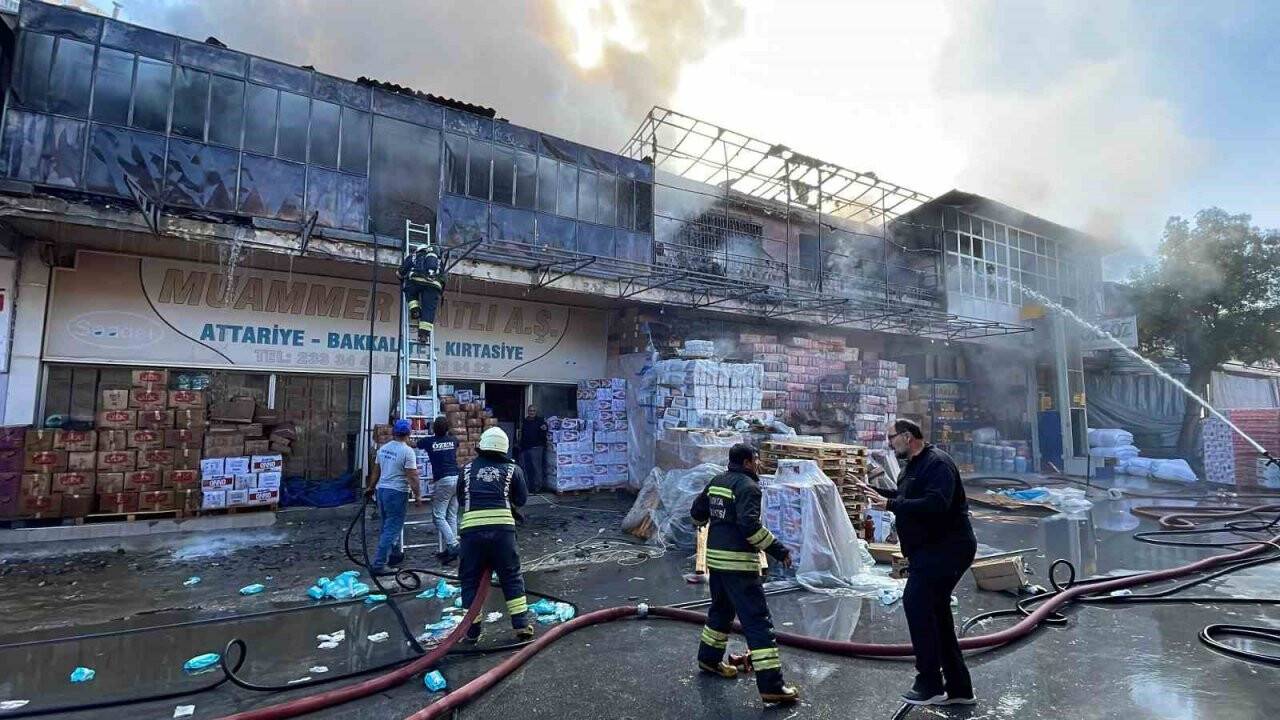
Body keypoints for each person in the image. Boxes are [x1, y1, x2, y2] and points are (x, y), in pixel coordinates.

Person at [863, 419, 978, 707]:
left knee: (917, 603)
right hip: (926, 550)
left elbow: (936, 505)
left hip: (947, 549)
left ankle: (929, 682)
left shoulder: (937, 464)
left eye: (892, 438)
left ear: (907, 436)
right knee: (937, 613)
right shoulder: (911, 466)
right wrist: (880, 496)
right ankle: (959, 689)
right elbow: (907, 497)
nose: (889, 443)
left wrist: (891, 505)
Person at [690, 443, 799, 705]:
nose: (759, 465)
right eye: (757, 460)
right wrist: (778, 550)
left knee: (721, 612)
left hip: (716, 563)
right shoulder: (749, 488)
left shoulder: (717, 482)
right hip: (740, 566)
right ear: (749, 462)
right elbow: (749, 527)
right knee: (758, 623)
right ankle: (772, 686)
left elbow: (696, 513)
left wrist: (709, 525)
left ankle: (709, 659)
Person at [457, 426, 533, 643]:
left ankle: (472, 630)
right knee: (510, 576)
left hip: (472, 533)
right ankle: (521, 625)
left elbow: (462, 500)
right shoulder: (513, 470)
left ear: (482, 445)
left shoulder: (467, 469)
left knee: (470, 579)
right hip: (503, 533)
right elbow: (521, 500)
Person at [364, 419, 422, 575]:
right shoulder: (407, 451)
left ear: (394, 432)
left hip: (381, 491)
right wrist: (418, 495)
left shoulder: (383, 449)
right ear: (409, 433)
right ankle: (379, 564)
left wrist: (370, 487)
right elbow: (413, 477)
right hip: (397, 492)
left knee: (387, 526)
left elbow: (376, 470)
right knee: (392, 528)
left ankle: (395, 554)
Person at [419, 415, 461, 565]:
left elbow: (416, 443)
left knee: (437, 516)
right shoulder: (453, 440)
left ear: (434, 429)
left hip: (443, 480)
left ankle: (453, 545)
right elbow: (455, 442)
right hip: (457, 478)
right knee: (451, 515)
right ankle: (451, 550)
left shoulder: (429, 441)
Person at [399, 244, 447, 343]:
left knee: (410, 291)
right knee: (429, 310)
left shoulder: (415, 255)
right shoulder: (439, 261)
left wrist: (400, 275)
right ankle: (424, 335)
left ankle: (415, 309)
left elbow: (402, 271)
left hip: (416, 280)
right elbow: (443, 277)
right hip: (434, 285)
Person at [518, 406, 547, 493]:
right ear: (528, 412)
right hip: (526, 448)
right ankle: (529, 487)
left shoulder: (540, 421)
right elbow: (522, 433)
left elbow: (545, 430)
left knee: (536, 468)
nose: (532, 412)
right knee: (527, 468)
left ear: (536, 412)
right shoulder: (525, 421)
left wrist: (545, 428)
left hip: (536, 448)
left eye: (533, 411)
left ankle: (538, 487)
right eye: (530, 411)